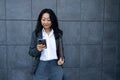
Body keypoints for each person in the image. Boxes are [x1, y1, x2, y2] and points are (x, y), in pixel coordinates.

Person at [29, 8, 65, 80]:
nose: (46, 22)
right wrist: (37, 49)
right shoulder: (36, 34)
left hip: (55, 66)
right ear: (40, 20)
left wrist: (62, 59)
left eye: (48, 20)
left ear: (52, 20)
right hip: (41, 66)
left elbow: (61, 50)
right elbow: (31, 52)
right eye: (43, 19)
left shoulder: (58, 34)